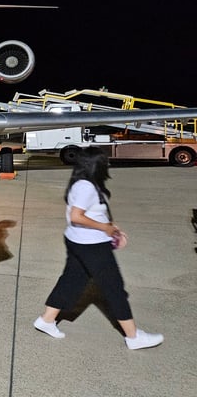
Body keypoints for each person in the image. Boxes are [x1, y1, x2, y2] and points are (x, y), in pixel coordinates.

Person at [33, 147, 163, 350]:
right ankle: (133, 336)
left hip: (78, 240)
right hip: (91, 245)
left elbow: (93, 213)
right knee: (114, 288)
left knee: (71, 280)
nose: (108, 165)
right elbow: (77, 216)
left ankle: (46, 320)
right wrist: (106, 228)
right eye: (105, 162)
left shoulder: (82, 182)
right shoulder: (86, 186)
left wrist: (113, 228)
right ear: (96, 165)